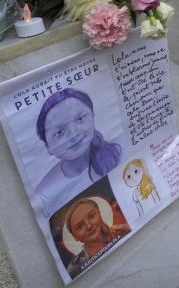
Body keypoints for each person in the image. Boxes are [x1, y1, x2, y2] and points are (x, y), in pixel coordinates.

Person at [34, 89, 122, 217]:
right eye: (59, 132)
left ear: (92, 116)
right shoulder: (44, 195)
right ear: (48, 147)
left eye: (80, 119)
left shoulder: (120, 151)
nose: (73, 134)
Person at [63, 198, 130, 278]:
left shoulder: (124, 232)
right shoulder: (74, 268)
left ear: (100, 214)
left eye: (91, 216)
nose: (89, 226)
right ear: (74, 237)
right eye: (80, 226)